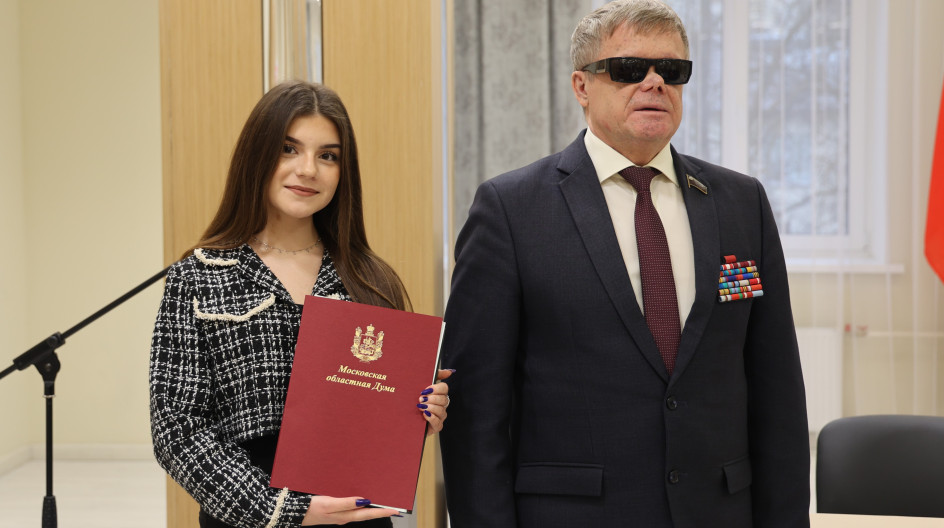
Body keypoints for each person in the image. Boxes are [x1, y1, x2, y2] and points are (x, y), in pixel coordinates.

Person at [439, 1, 809, 527]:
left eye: (672, 71)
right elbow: (475, 411)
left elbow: (778, 392)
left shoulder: (740, 202)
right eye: (630, 68)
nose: (655, 82)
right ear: (581, 86)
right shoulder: (511, 209)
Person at [150, 80, 451, 528]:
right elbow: (176, 429)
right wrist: (284, 511)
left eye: (328, 156)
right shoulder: (198, 276)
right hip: (248, 518)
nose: (308, 169)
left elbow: (380, 419)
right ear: (256, 156)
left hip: (358, 518)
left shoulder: (371, 278)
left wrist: (422, 411)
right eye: (289, 149)